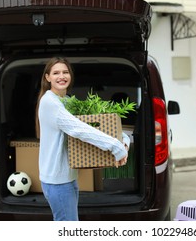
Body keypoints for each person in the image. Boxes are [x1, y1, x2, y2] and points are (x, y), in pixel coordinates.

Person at [35, 57, 129, 221]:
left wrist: (123, 139)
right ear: (47, 77)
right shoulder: (50, 102)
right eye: (56, 73)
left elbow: (94, 124)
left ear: (70, 75)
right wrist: (116, 146)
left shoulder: (66, 101)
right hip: (58, 181)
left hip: (67, 178)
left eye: (65, 72)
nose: (61, 76)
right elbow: (79, 129)